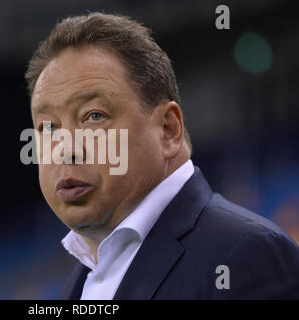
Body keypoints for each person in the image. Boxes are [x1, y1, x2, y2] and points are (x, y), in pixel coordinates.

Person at [24, 12, 299, 299]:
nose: (66, 149)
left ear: (168, 130)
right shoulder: (78, 284)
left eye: (94, 116)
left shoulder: (247, 256)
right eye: (48, 127)